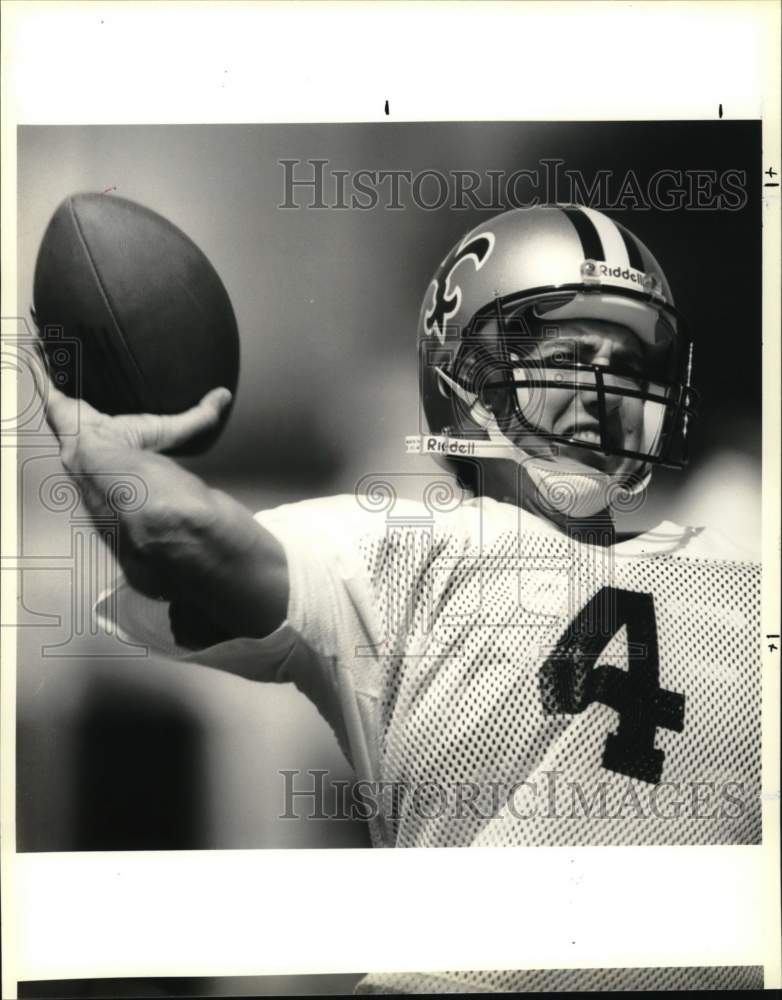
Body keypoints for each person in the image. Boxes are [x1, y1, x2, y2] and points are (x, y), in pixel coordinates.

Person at [39, 204, 761, 993]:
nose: (603, 390)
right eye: (571, 353)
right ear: (469, 374)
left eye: (628, 364)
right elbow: (180, 536)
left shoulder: (746, 556)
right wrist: (103, 453)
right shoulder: (406, 554)